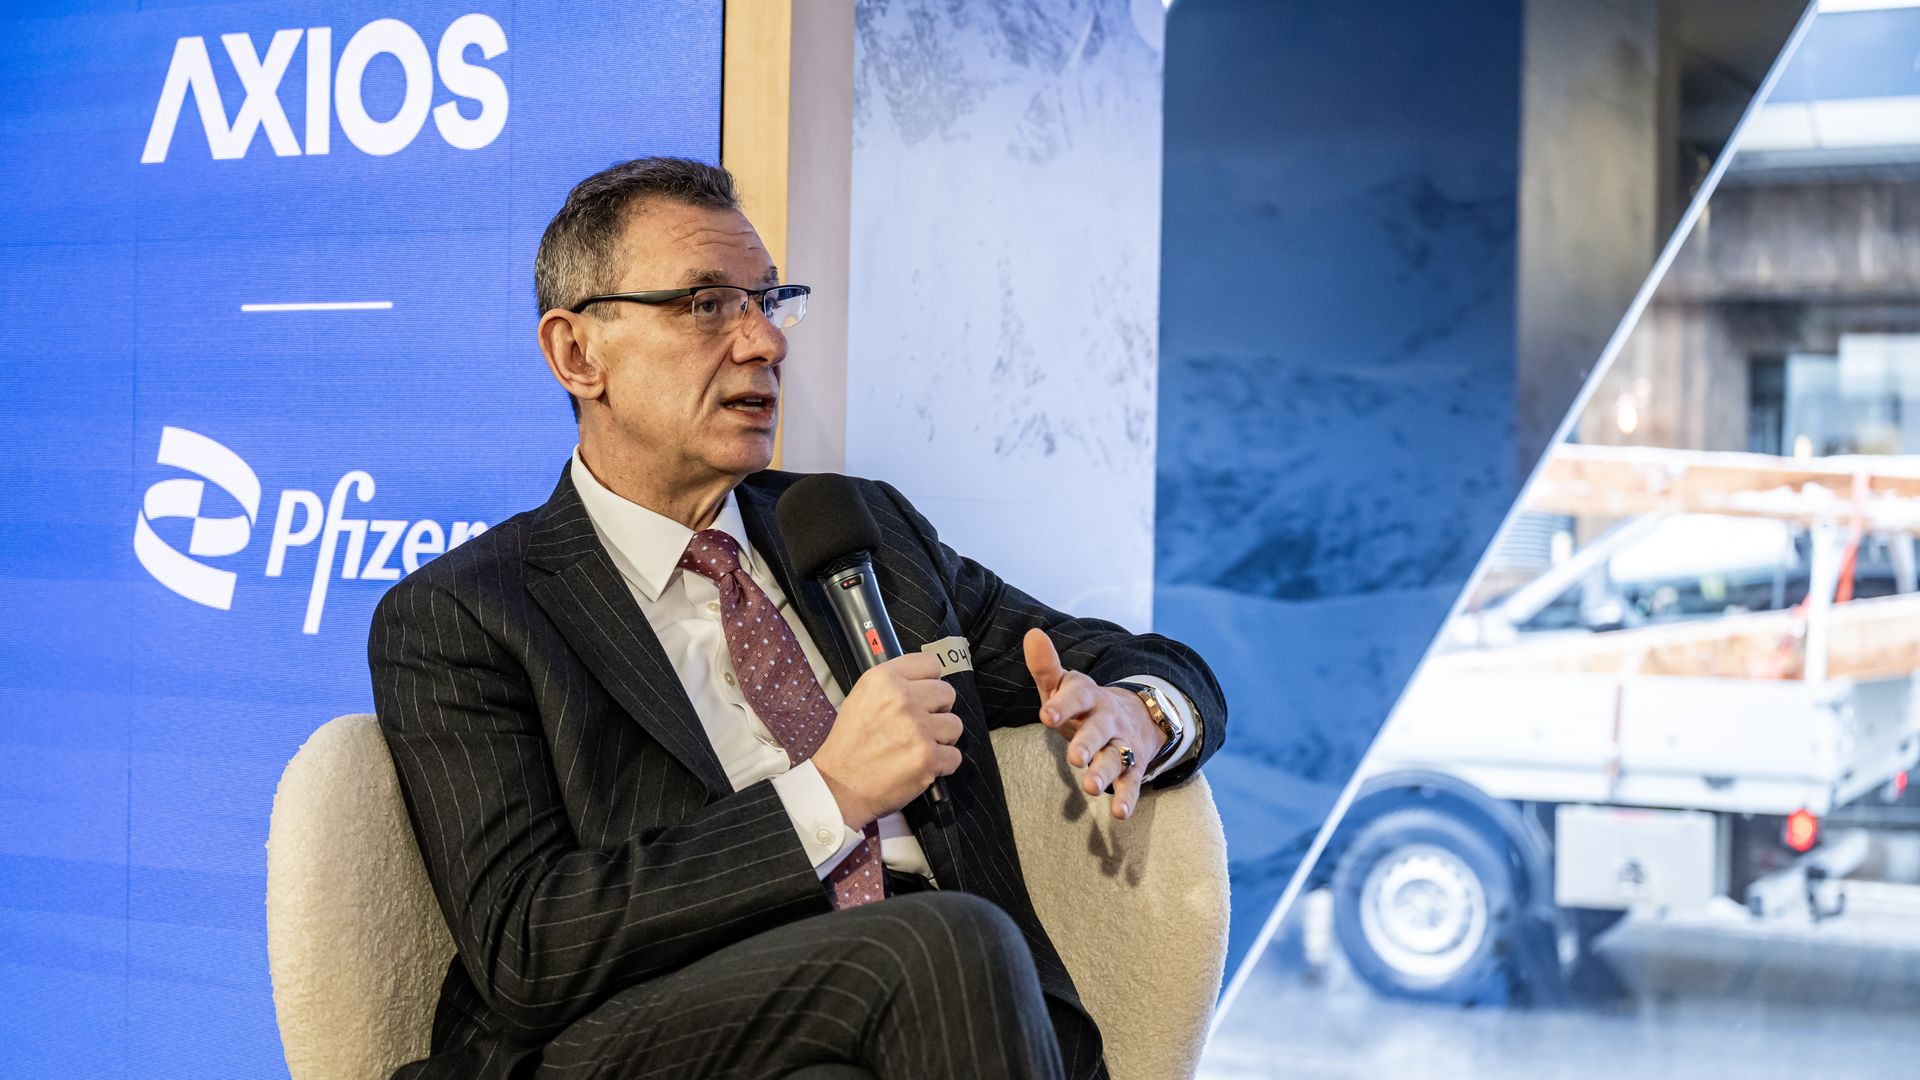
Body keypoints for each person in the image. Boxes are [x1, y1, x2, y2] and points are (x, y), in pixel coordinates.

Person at [367, 156, 1226, 1080]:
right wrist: (832, 791)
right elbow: (527, 945)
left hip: (938, 1025)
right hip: (650, 1033)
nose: (765, 341)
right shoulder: (465, 615)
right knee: (941, 944)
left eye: (768, 301)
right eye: (706, 305)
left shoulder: (860, 531)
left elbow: (1125, 659)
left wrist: (1140, 710)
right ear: (578, 354)